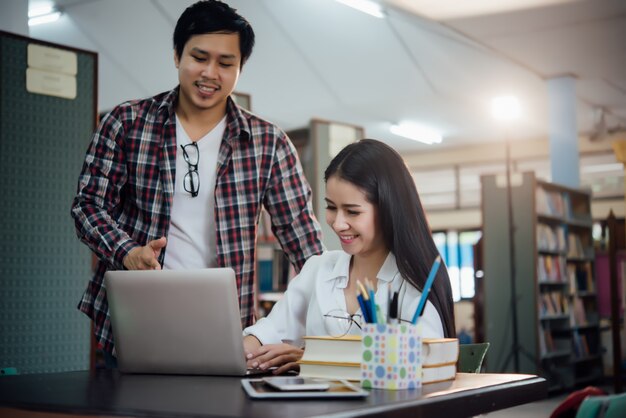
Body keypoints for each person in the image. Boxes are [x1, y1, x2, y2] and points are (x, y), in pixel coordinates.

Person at [71, 0, 323, 360]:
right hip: (135, 318)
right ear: (177, 55)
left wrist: (333, 313)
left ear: (241, 67)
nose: (210, 73)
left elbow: (304, 240)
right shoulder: (126, 123)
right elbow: (88, 205)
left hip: (226, 327)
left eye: (226, 63)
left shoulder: (269, 142)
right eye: (199, 57)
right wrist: (127, 253)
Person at [242, 139, 456, 374]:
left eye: (352, 211)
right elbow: (269, 331)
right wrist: (245, 350)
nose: (338, 223)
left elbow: (423, 361)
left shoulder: (414, 282)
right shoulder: (318, 268)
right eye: (331, 207)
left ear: (388, 209)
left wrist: (312, 357)